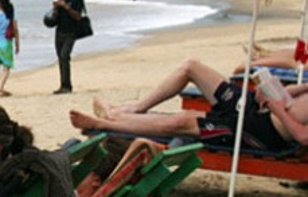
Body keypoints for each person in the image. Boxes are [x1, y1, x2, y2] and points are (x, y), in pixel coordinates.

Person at [69, 58, 308, 151]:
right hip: (258, 108)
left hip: (264, 132)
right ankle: (133, 109)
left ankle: (105, 122)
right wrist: (277, 90)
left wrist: (276, 107)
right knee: (191, 66)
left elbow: (302, 135)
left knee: (183, 121)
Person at [52, 0, 85, 95]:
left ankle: (67, 86)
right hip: (59, 31)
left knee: (64, 55)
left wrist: (66, 7)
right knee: (61, 58)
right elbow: (56, 17)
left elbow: (78, 16)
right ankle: (64, 85)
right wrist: (55, 8)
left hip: (71, 32)